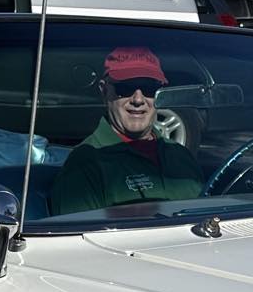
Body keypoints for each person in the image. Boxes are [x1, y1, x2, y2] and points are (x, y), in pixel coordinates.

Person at [49, 44, 204, 215]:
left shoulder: (181, 155)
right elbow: (75, 239)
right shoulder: (84, 164)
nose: (138, 99)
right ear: (104, 90)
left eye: (149, 88)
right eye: (126, 87)